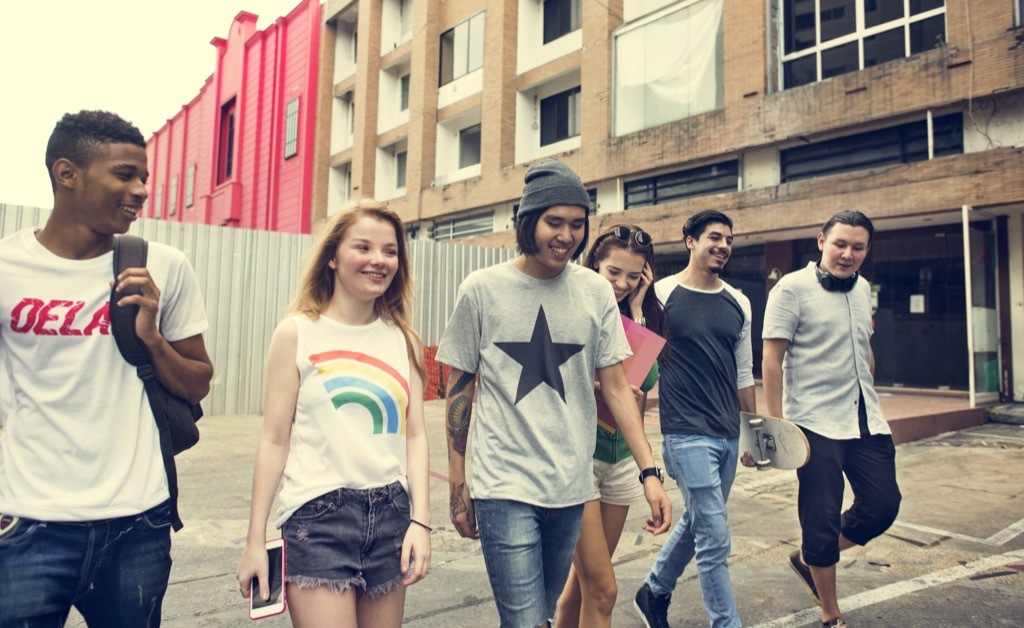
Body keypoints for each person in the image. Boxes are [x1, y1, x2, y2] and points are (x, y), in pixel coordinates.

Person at [0, 110, 213, 626]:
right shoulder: (7, 268)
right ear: (66, 173)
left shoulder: (163, 265)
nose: (141, 190)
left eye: (143, 178)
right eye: (124, 175)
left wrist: (152, 338)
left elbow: (198, 380)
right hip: (27, 524)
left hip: (137, 523)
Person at [437, 160, 672, 627]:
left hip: (570, 485)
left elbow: (619, 389)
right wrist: (458, 482)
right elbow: (459, 387)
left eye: (577, 224)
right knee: (525, 622)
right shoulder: (482, 289)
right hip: (504, 484)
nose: (566, 235)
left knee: (544, 616)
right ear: (528, 222)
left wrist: (649, 470)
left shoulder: (595, 292)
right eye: (554, 222)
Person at [236, 200, 430, 628]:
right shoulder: (296, 333)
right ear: (332, 257)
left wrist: (421, 521)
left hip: (391, 517)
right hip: (317, 520)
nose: (379, 260)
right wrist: (255, 539)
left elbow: (415, 435)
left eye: (390, 251)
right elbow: (274, 439)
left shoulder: (405, 340)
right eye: (363, 247)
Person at [762, 211, 900, 628]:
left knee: (882, 506)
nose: (848, 254)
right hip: (814, 420)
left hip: (864, 419)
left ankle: (811, 558)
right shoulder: (791, 289)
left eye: (858, 247)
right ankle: (830, 612)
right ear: (821, 240)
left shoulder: (862, 290)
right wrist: (775, 425)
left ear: (867, 250)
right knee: (820, 516)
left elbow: (865, 345)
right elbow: (771, 358)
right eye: (841, 244)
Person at [634, 210, 756, 628]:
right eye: (714, 237)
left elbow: (743, 374)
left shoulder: (739, 302)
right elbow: (640, 364)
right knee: (714, 537)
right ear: (690, 241)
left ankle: (653, 590)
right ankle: (727, 623)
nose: (723, 246)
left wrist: (753, 434)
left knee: (699, 521)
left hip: (727, 432)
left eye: (728, 240)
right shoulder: (663, 294)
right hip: (685, 433)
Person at [554, 224, 668, 628]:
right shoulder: (574, 308)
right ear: (593, 267)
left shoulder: (638, 316)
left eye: (633, 276)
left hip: (621, 461)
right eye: (613, 273)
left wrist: (636, 309)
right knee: (602, 590)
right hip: (582, 459)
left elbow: (643, 380)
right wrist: (609, 386)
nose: (621, 283)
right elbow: (616, 386)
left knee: (583, 586)